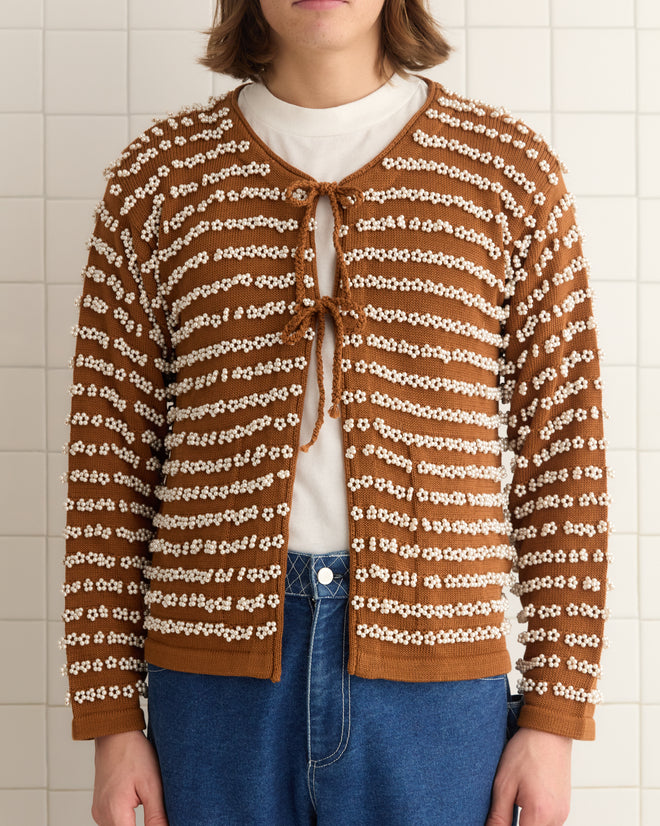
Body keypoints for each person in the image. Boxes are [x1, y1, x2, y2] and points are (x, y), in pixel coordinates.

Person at [60, 1, 612, 825]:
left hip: (437, 672)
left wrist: (553, 715)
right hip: (211, 682)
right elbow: (107, 465)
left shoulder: (507, 172)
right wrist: (110, 718)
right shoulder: (159, 179)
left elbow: (564, 451)